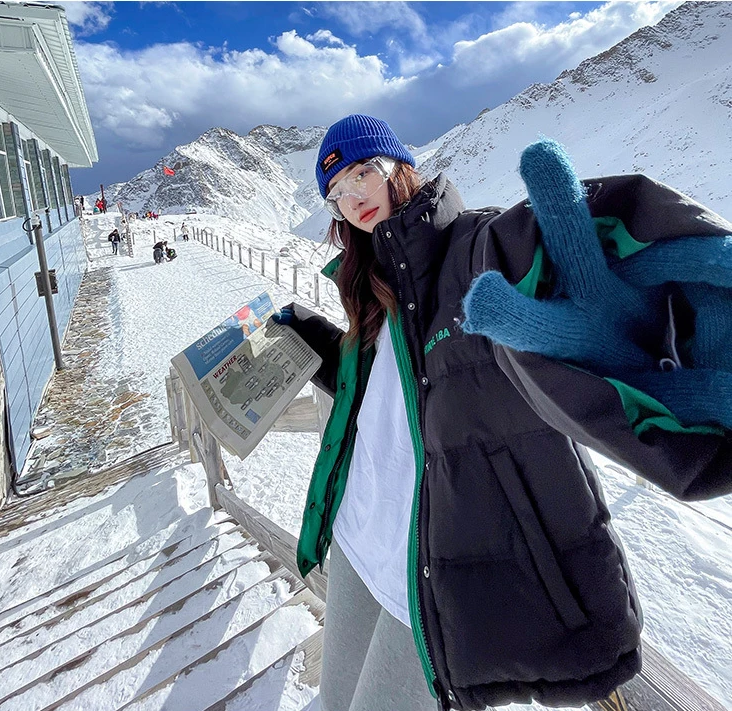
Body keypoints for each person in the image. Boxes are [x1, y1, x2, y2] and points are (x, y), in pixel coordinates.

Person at [274, 115, 732, 711]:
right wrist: (312, 342)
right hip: (358, 532)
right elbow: (394, 389)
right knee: (335, 702)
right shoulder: (374, 284)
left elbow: (556, 244)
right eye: (336, 192)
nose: (353, 197)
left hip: (432, 565)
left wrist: (664, 317)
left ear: (399, 168)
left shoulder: (475, 250)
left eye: (363, 172)